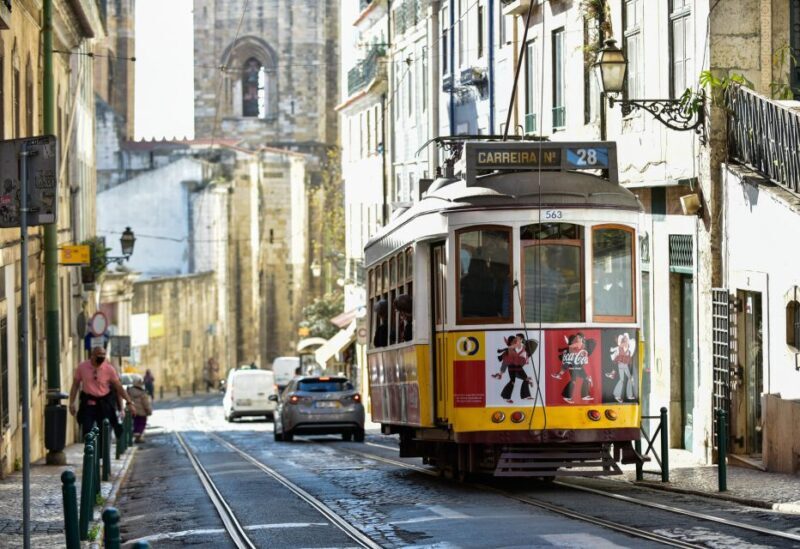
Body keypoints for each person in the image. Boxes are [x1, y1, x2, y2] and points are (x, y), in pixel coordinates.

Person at [69, 346, 136, 438]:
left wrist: (129, 402)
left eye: (103, 355)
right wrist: (71, 402)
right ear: (92, 355)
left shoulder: (109, 369)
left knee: (104, 432)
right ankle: (90, 450)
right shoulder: (82, 367)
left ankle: (103, 450)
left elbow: (119, 387)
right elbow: (75, 385)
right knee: (87, 430)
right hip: (89, 402)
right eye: (99, 355)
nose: (101, 357)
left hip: (104, 403)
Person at [127, 376, 153, 442]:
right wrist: (149, 411)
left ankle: (136, 435)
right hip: (142, 412)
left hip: (133, 410)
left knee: (136, 423)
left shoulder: (129, 390)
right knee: (142, 423)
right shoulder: (143, 392)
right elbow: (146, 403)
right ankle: (139, 437)